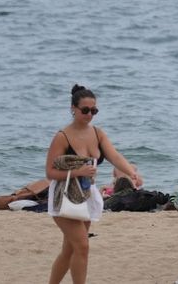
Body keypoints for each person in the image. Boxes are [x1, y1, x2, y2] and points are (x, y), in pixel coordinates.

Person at [46, 84, 143, 284]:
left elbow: (114, 155)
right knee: (82, 246)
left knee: (70, 248)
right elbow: (50, 172)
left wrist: (132, 173)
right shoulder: (62, 137)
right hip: (64, 196)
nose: (90, 114)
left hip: (86, 195)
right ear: (73, 108)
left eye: (94, 111)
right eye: (85, 110)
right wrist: (78, 171)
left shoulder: (97, 134)